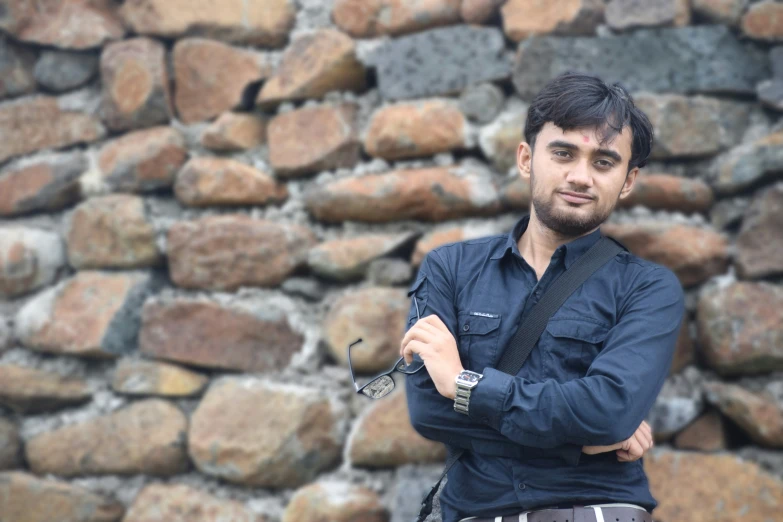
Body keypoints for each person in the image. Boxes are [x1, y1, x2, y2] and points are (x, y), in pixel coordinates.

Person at [399, 72, 685, 522]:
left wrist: (463, 384)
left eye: (604, 162)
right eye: (564, 153)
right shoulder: (449, 270)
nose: (580, 176)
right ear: (526, 158)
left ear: (627, 181)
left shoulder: (648, 289)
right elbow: (429, 412)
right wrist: (580, 435)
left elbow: (609, 412)